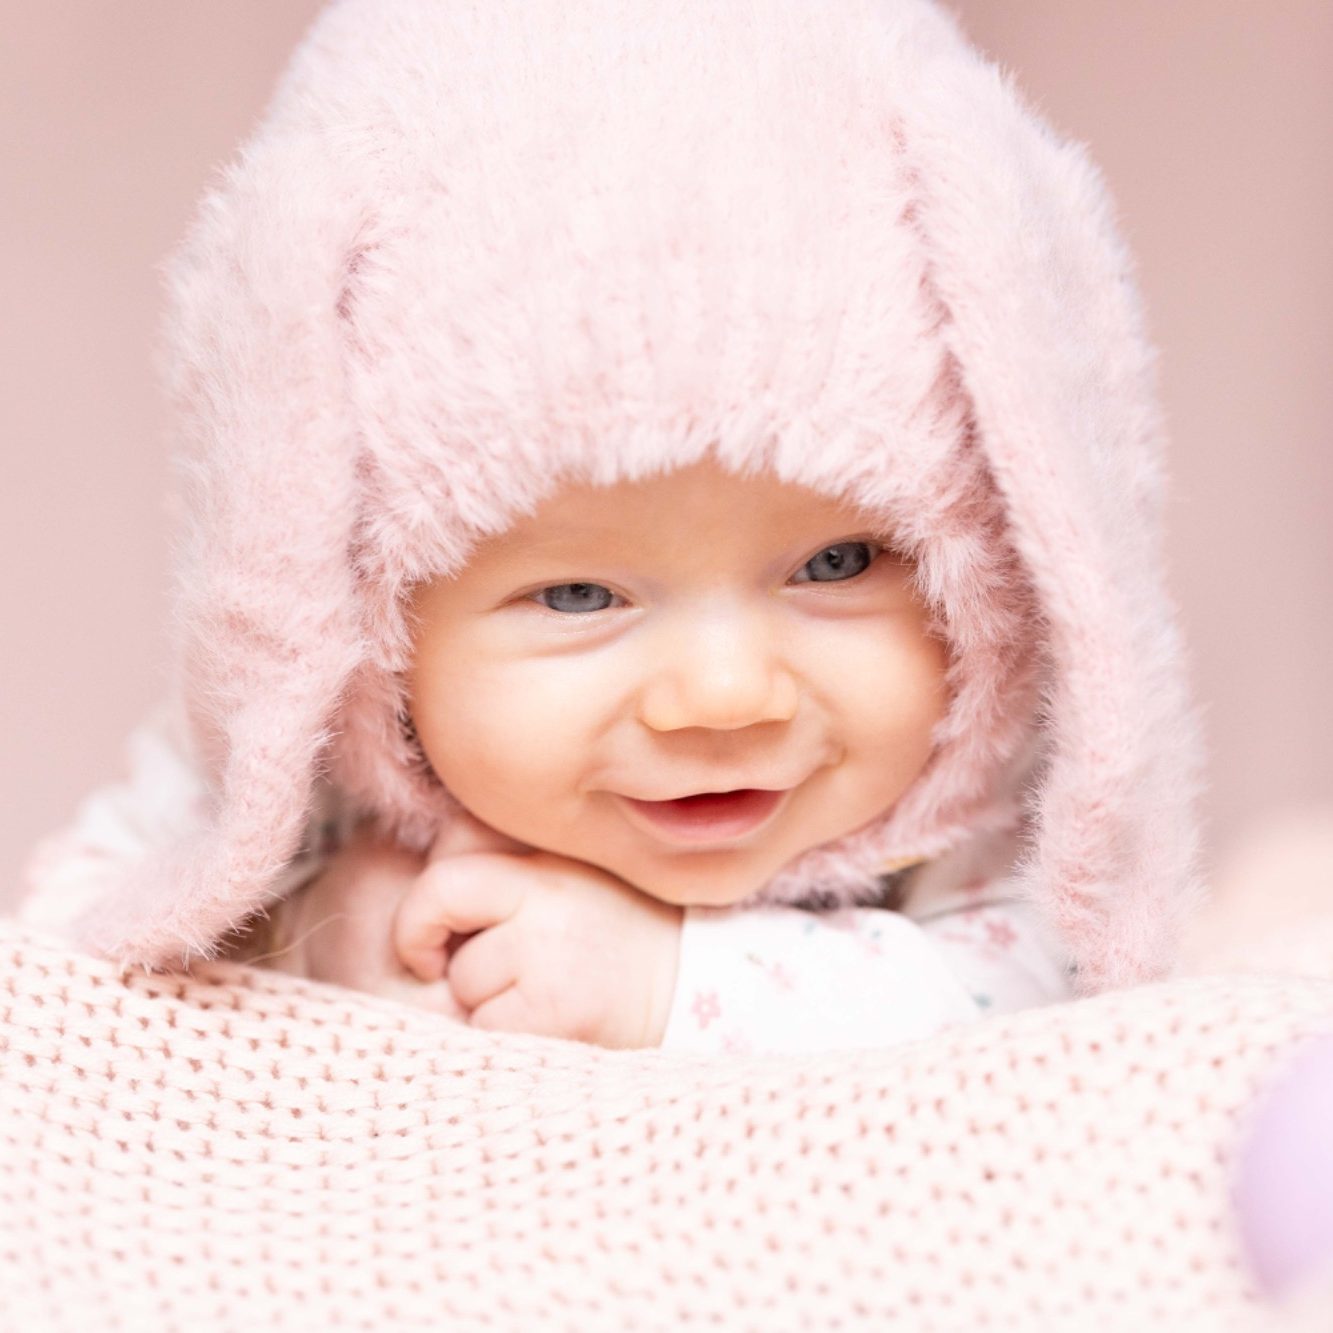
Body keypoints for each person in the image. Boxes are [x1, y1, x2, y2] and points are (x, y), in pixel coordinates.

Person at [13, 0, 1203, 1055]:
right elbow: (74, 948)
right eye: (580, 596)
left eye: (836, 563)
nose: (727, 695)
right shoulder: (285, 737)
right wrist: (317, 933)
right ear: (359, 608)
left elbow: (1050, 997)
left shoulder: (980, 796)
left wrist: (665, 983)